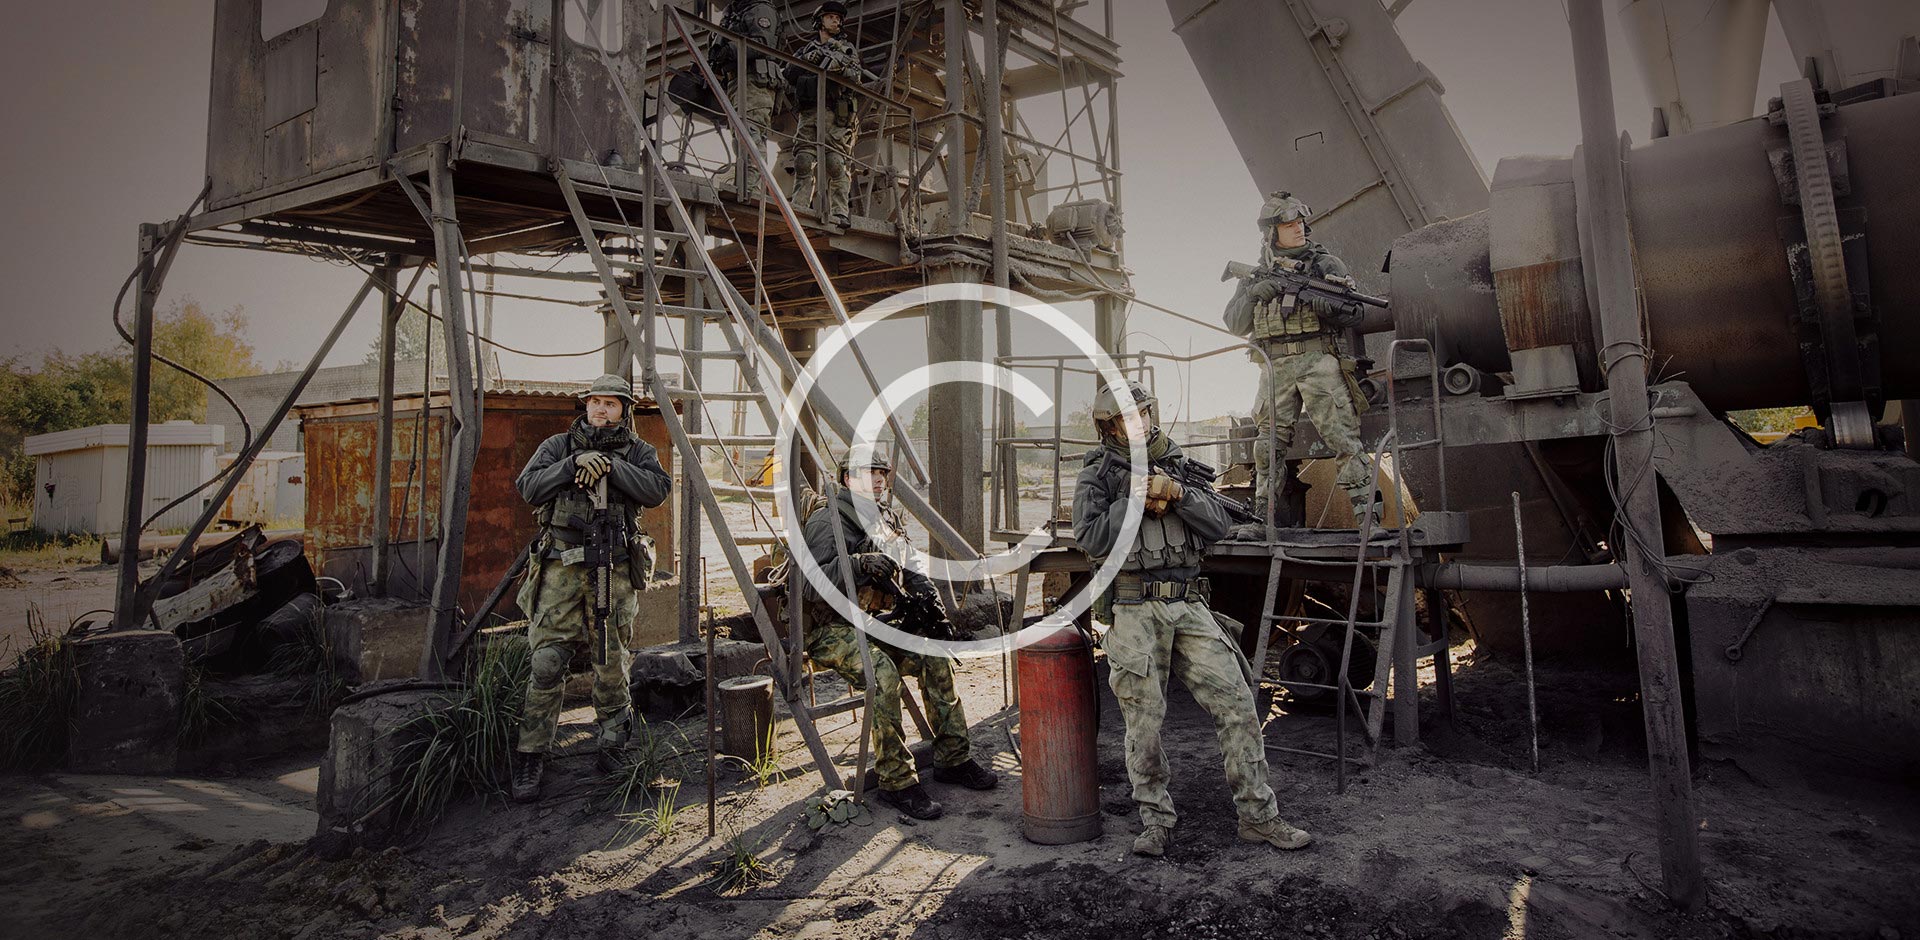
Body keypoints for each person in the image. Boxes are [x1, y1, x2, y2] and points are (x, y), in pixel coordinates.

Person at [1071, 380, 1314, 857]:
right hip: (1134, 607)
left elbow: (1219, 525)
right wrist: (1134, 499)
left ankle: (1259, 816)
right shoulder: (1097, 475)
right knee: (1144, 723)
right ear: (1110, 427)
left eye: (1143, 413)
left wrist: (1179, 493)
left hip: (1189, 603)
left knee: (1238, 703)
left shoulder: (1179, 463)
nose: (1138, 423)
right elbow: (1092, 538)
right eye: (1126, 418)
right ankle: (1155, 822)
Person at [798, 449, 997, 820]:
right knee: (883, 675)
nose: (878, 479)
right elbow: (810, 585)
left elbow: (912, 566)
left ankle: (953, 759)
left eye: (881, 472)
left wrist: (932, 607)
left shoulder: (884, 517)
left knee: (933, 656)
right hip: (830, 629)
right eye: (868, 473)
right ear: (847, 480)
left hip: (874, 622)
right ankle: (896, 780)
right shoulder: (828, 520)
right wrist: (859, 564)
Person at [510, 374, 672, 803]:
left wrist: (614, 467)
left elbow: (657, 490)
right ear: (585, 406)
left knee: (611, 660)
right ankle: (531, 753)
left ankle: (612, 745)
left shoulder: (638, 451)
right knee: (547, 661)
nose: (601, 409)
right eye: (595, 402)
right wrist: (573, 464)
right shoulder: (558, 446)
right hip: (560, 569)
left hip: (613, 569)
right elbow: (528, 487)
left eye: (611, 403)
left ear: (624, 410)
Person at [1223, 191, 1379, 531]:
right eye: (1289, 225)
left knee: (1344, 439)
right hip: (1274, 367)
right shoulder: (1257, 274)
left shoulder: (1325, 265)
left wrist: (1329, 309)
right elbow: (1234, 324)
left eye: (1300, 223)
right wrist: (1253, 295)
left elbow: (1355, 313)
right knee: (1267, 448)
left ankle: (1369, 521)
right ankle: (1262, 520)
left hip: (1317, 360)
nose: (1298, 229)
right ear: (1271, 232)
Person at [789, 0, 873, 227]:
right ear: (820, 21)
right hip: (809, 112)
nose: (836, 21)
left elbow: (856, 76)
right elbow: (788, 72)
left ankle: (840, 213)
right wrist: (807, 61)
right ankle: (799, 206)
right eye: (831, 17)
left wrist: (837, 67)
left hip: (835, 113)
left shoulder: (845, 49)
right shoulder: (806, 50)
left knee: (836, 163)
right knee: (803, 160)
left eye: (838, 18)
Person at [715, 0, 785, 198]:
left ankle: (753, 190)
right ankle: (747, 185)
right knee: (741, 138)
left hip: (755, 81)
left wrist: (730, 50)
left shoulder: (760, 9)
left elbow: (763, 43)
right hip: (738, 81)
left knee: (750, 133)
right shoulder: (736, 12)